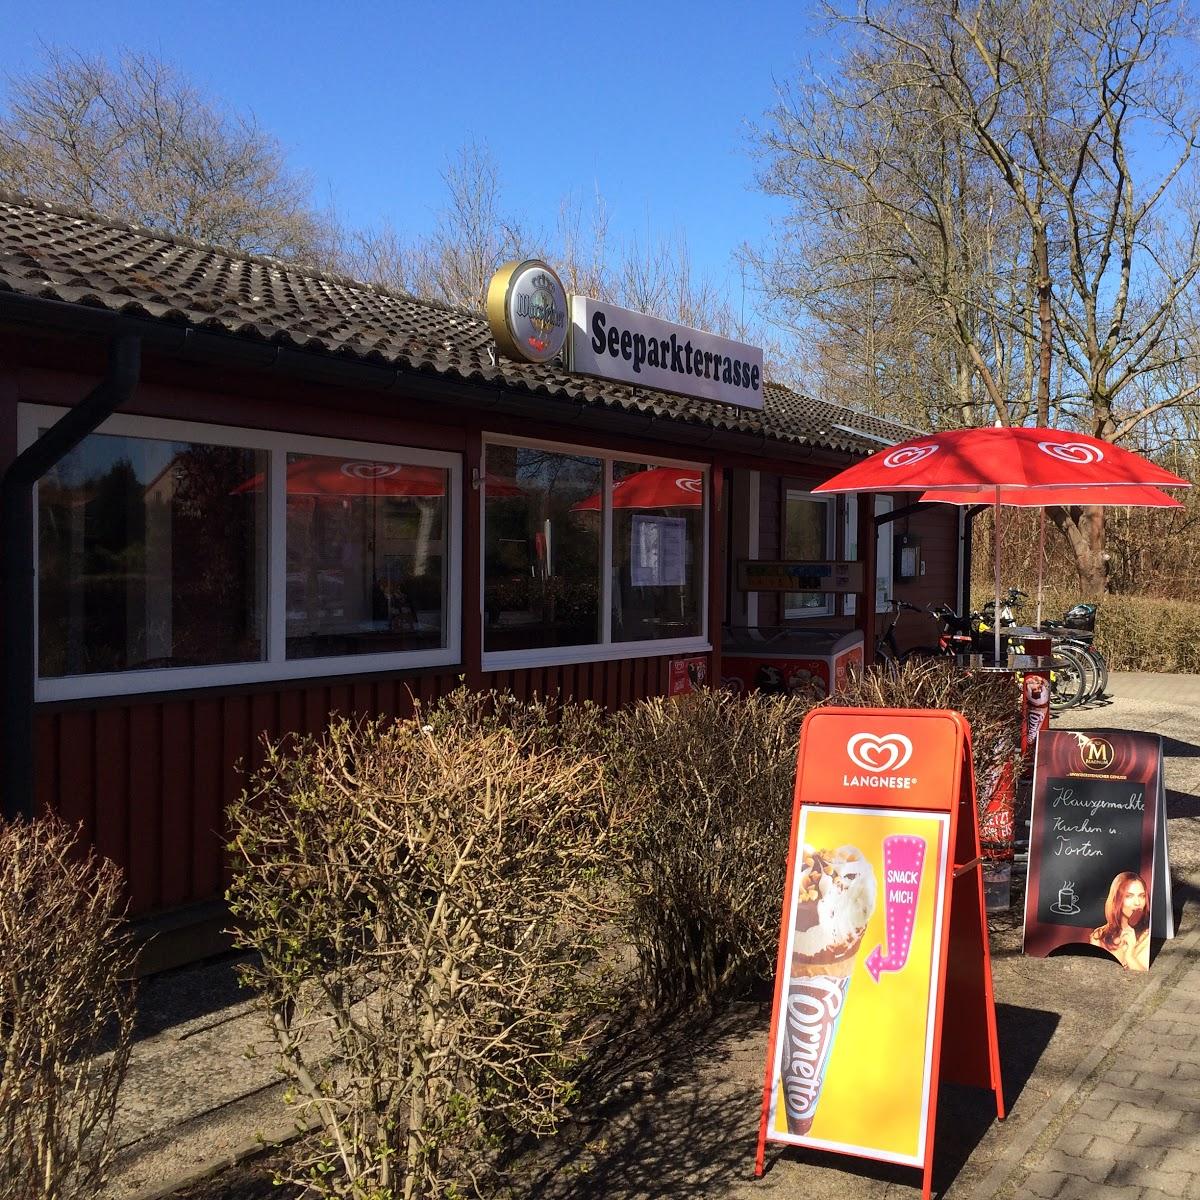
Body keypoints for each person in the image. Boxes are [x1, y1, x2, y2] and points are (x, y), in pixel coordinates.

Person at [1090, 872, 1150, 971]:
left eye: (1142, 896)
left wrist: (1129, 955)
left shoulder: (1147, 936)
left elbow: (1143, 977)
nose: (1137, 903)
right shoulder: (1099, 935)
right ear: (1117, 899)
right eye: (1129, 896)